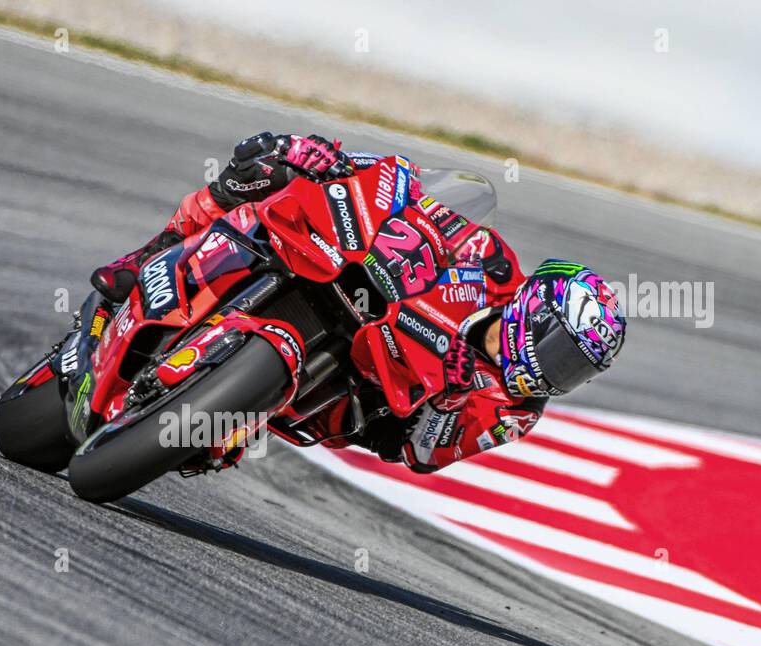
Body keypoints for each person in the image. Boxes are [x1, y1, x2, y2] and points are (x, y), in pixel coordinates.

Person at [88, 132, 626, 473]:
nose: (559, 374)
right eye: (562, 353)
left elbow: (423, 456)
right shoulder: (494, 264)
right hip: (358, 286)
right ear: (536, 309)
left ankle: (231, 409)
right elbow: (414, 191)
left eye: (576, 369)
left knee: (228, 443)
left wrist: (450, 400)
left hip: (365, 400)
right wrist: (336, 163)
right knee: (262, 176)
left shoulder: (516, 411)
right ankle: (146, 258)